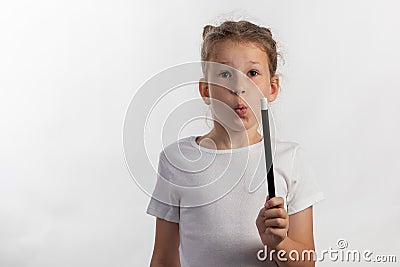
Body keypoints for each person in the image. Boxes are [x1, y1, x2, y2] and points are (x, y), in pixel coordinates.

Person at [146, 20, 324, 267]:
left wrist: (279, 243)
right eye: (225, 74)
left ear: (271, 88)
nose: (239, 88)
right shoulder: (177, 160)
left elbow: (306, 263)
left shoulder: (290, 159)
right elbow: (164, 258)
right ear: (206, 89)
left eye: (252, 73)